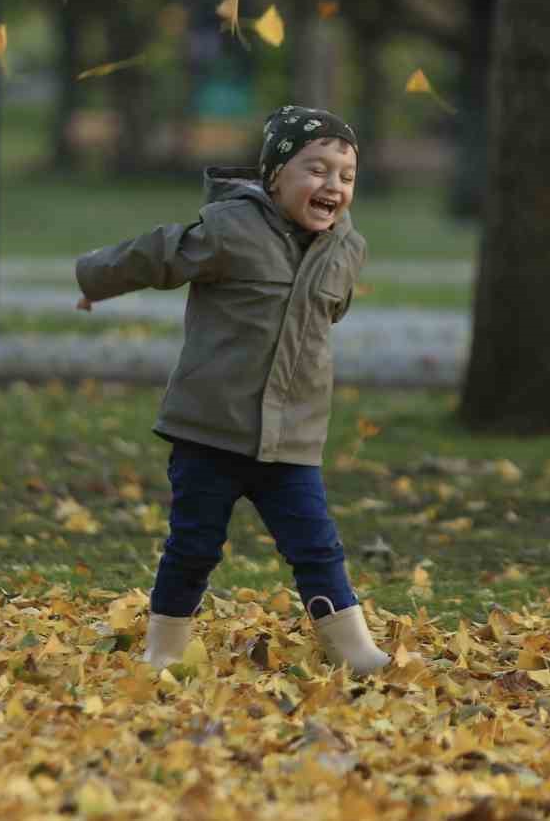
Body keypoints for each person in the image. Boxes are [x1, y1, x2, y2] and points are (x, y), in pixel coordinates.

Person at [74, 106, 389, 676]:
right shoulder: (228, 230)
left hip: (291, 439)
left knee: (316, 548)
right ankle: (164, 648)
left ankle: (353, 648)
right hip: (209, 433)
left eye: (345, 176)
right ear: (275, 176)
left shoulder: (348, 249)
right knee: (193, 548)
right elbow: (158, 254)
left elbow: (326, 318)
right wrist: (96, 279)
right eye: (316, 170)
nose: (333, 186)